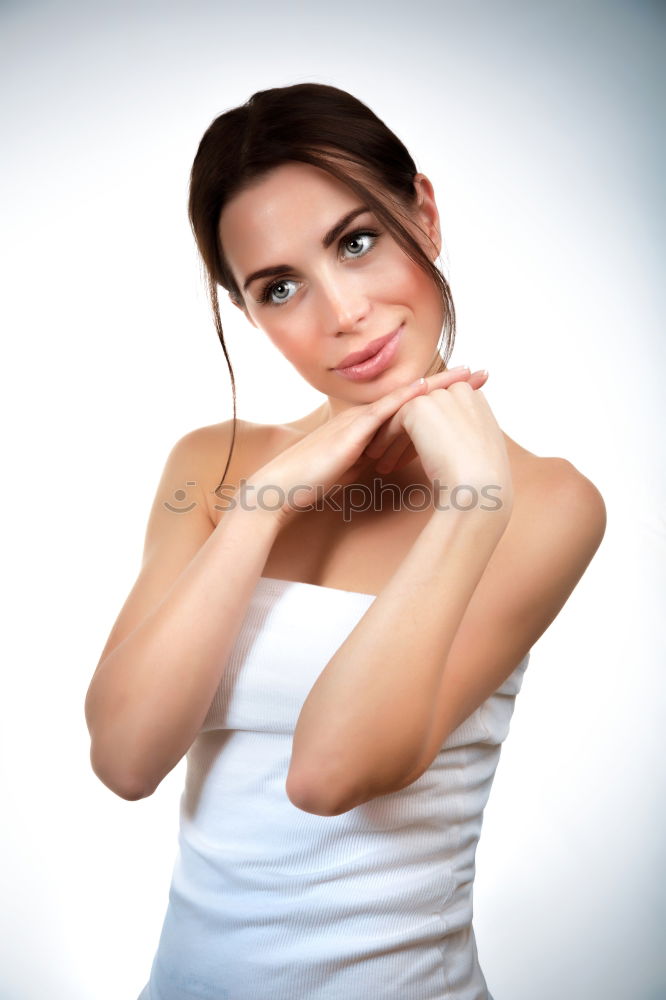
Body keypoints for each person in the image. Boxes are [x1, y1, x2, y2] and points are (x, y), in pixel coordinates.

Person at [84, 82, 606, 1000]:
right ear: (249, 313)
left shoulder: (545, 501)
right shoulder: (210, 464)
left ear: (425, 214)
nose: (343, 313)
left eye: (356, 242)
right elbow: (125, 759)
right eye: (279, 288)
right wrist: (259, 507)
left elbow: (330, 774)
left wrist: (469, 508)